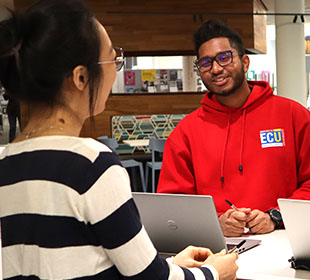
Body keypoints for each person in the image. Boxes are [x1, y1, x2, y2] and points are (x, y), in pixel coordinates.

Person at [0, 2, 238, 279]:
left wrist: (171, 263)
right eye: (112, 60)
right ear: (81, 77)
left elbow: (77, 257)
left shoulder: (7, 161)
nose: (115, 71)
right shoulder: (91, 164)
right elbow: (149, 278)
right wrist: (214, 272)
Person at [157, 19, 310, 237]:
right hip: (215, 249)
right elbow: (174, 204)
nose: (215, 69)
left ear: (245, 62)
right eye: (205, 63)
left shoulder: (294, 116)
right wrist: (216, 222)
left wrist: (276, 216)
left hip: (286, 241)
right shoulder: (185, 133)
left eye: (224, 58)